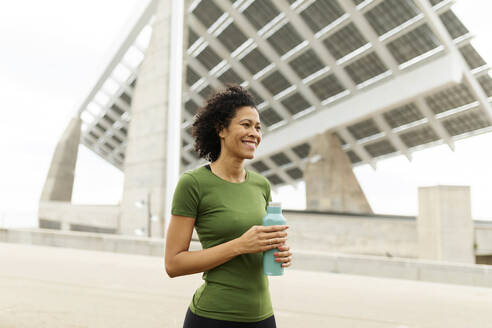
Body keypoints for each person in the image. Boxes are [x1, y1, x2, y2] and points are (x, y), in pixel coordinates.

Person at [165, 85, 292, 328]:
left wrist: (278, 253)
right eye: (246, 125)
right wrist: (240, 245)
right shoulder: (193, 184)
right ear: (221, 129)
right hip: (213, 316)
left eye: (258, 127)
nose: (254, 133)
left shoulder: (261, 185)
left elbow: (259, 246)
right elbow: (173, 264)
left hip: (262, 317)